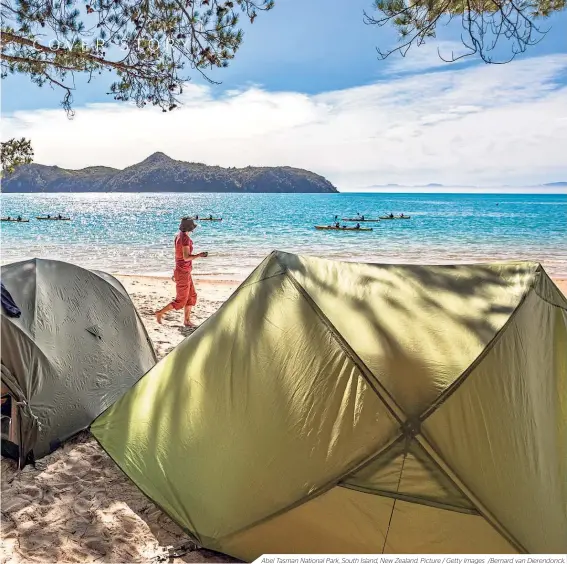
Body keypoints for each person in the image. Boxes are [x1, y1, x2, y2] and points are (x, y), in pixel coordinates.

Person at [155, 217, 208, 327]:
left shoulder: (179, 236)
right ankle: (160, 313)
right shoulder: (184, 239)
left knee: (192, 296)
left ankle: (187, 321)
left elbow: (179, 256)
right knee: (181, 301)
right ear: (190, 228)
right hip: (182, 272)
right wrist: (200, 255)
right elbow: (186, 257)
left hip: (184, 271)